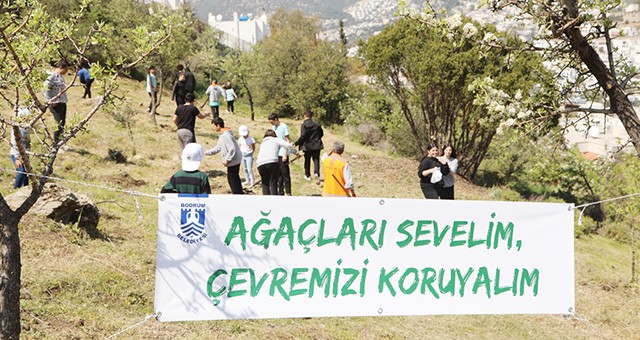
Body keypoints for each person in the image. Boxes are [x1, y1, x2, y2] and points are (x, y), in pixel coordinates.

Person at [205, 117, 243, 194]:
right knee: (234, 178)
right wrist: (207, 152)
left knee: (232, 179)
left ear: (218, 125)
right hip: (234, 160)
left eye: (214, 126)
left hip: (234, 161)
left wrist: (226, 159)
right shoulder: (224, 135)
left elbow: (232, 148)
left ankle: (238, 195)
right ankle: (239, 193)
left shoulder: (225, 135)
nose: (214, 128)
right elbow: (218, 147)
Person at [256, 129, 299, 195]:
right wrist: (296, 153)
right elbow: (288, 145)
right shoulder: (275, 139)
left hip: (260, 164)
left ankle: (265, 201)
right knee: (273, 182)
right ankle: (274, 201)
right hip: (272, 162)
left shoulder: (263, 143)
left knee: (265, 183)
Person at [43, 60, 69, 143]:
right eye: (66, 69)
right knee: (58, 124)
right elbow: (45, 89)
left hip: (62, 102)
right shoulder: (51, 77)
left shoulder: (61, 76)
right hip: (56, 104)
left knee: (62, 123)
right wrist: (50, 101)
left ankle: (60, 142)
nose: (66, 71)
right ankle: (56, 143)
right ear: (61, 67)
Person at [294, 110, 324, 180]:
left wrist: (296, 143)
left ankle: (308, 175)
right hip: (317, 145)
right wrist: (316, 139)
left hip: (307, 145)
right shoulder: (317, 124)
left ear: (304, 116)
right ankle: (316, 173)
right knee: (316, 159)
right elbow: (321, 134)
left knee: (307, 160)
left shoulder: (304, 125)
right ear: (311, 116)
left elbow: (303, 136)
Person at [269, 113, 293, 196]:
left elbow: (288, 141)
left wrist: (285, 154)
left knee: (285, 173)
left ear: (276, 119)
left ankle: (288, 192)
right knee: (278, 174)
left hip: (283, 153)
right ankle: (280, 191)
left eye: (272, 122)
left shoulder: (284, 126)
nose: (271, 124)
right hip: (276, 153)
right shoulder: (273, 128)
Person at [9, 108, 31, 189]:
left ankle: (26, 188)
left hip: (25, 154)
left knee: (26, 172)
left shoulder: (26, 128)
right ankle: (16, 189)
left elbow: (27, 142)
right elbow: (15, 144)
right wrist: (17, 158)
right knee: (21, 171)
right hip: (16, 154)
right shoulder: (16, 129)